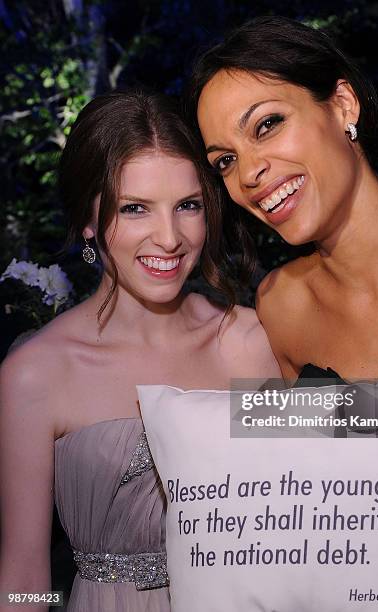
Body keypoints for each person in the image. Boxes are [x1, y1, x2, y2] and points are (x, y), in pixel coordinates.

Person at [188, 16, 378, 612]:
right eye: (224, 161)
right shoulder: (281, 306)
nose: (248, 175)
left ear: (342, 104)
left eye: (267, 125)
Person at [0, 91, 280, 612]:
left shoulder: (248, 343)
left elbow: (356, 449)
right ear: (88, 220)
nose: (170, 238)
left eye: (188, 206)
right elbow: (23, 573)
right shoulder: (35, 374)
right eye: (135, 209)